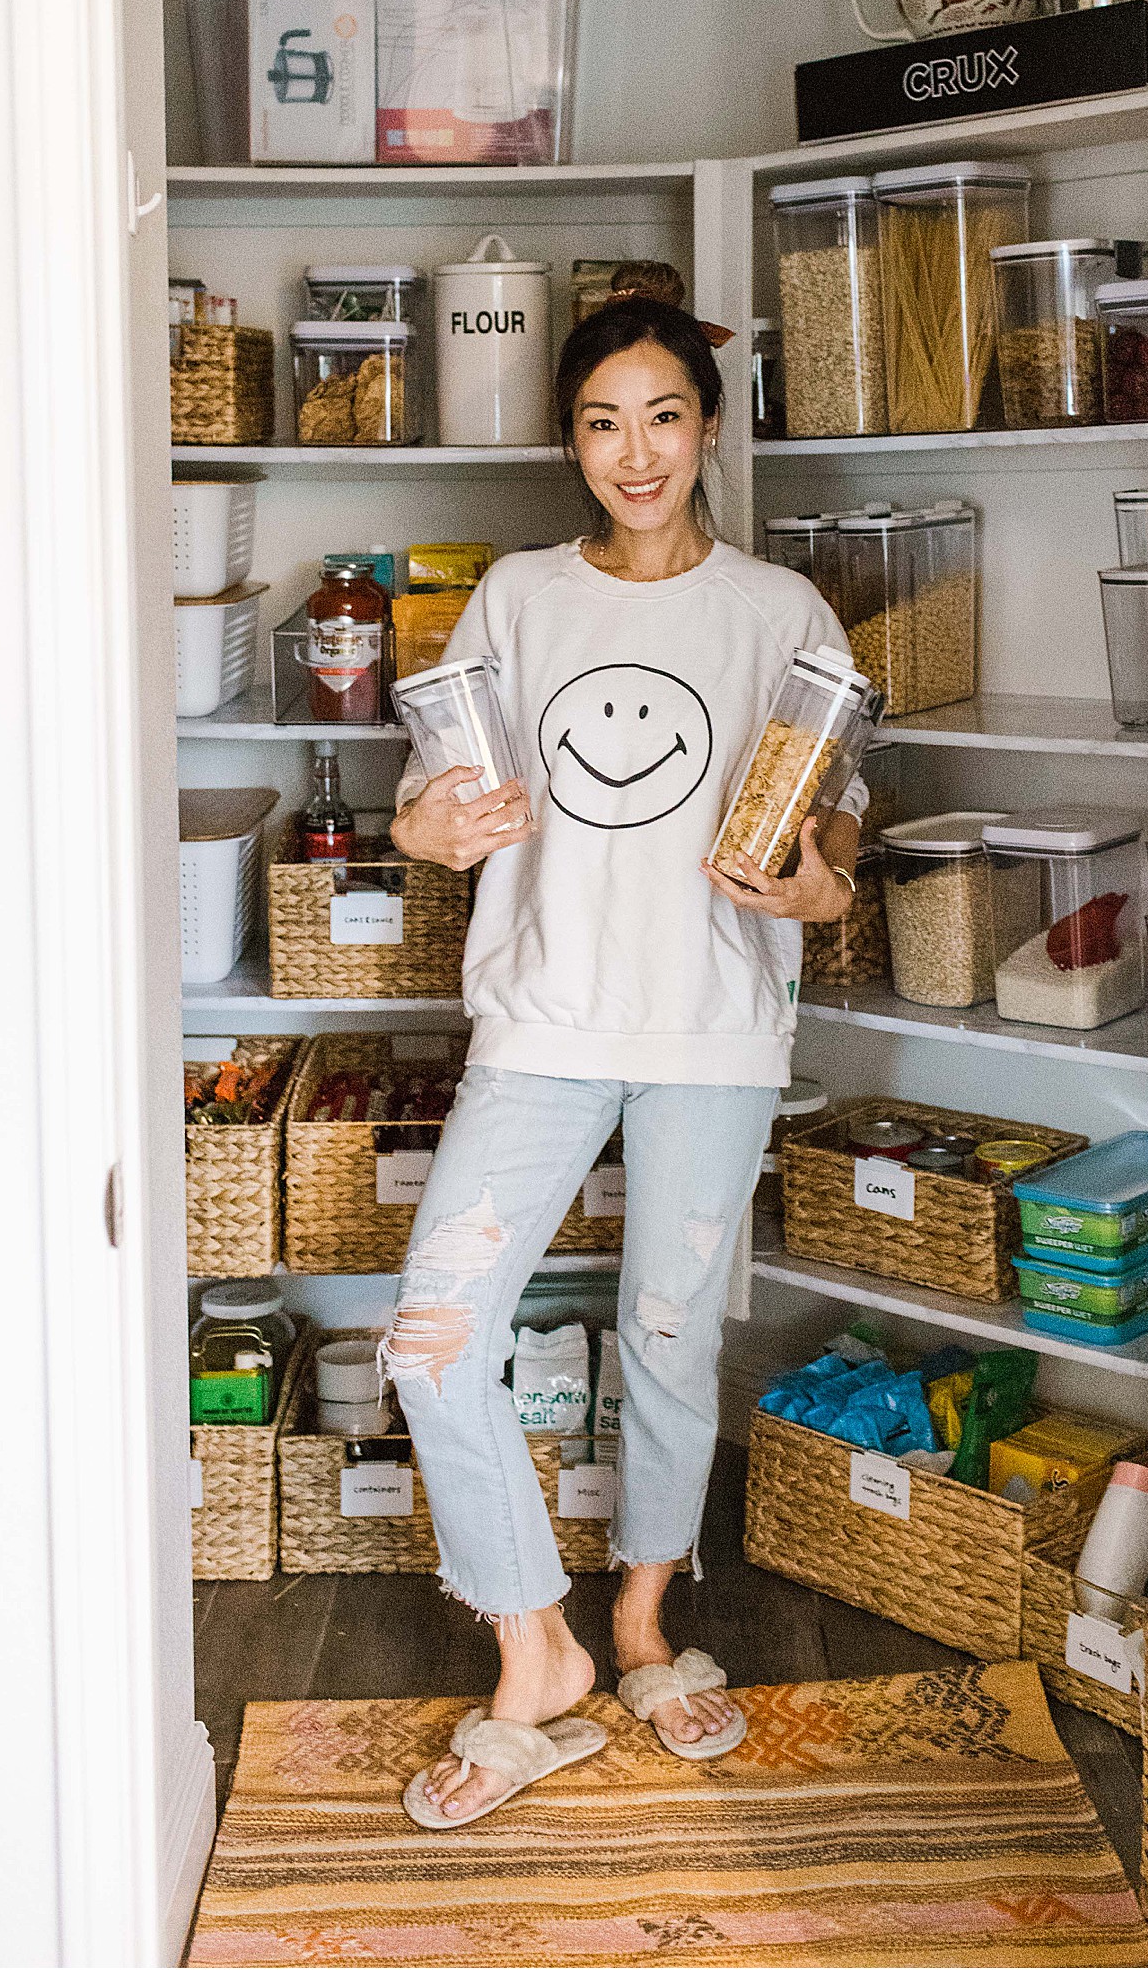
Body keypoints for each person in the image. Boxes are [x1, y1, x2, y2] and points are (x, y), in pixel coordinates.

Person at [385, 290, 865, 1829]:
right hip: (542, 1025)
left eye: (663, 416)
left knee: (667, 1340)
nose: (636, 452)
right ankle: (539, 1648)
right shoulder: (519, 598)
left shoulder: (782, 615)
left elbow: (837, 822)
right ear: (572, 442)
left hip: (716, 1034)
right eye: (602, 422)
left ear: (710, 425)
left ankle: (648, 1620)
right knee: (433, 1341)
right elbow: (428, 802)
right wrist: (427, 828)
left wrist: (818, 885)